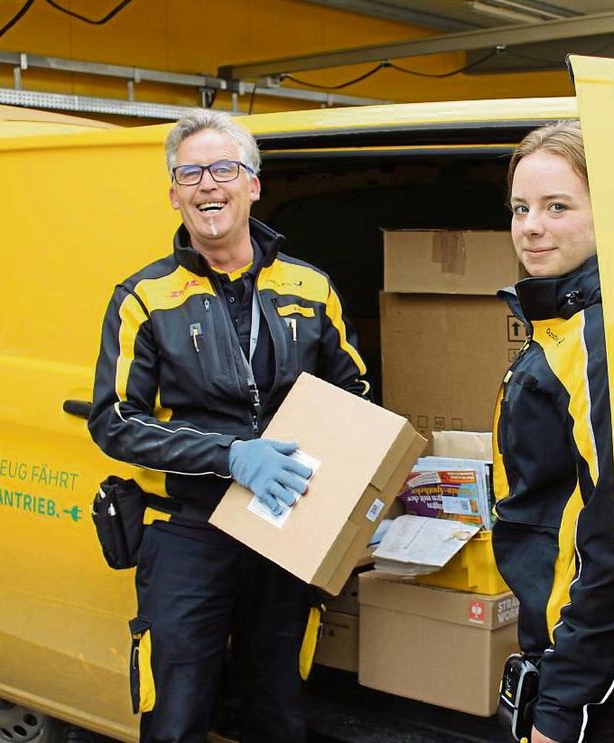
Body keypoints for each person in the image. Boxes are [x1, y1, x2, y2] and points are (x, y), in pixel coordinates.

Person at [87, 109, 368, 743]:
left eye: (224, 169)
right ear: (174, 193)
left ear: (253, 185)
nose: (208, 185)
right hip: (187, 529)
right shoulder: (144, 298)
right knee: (179, 706)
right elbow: (114, 422)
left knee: (278, 700)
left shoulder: (311, 288)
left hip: (285, 522)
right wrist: (231, 454)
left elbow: (354, 394)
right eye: (191, 173)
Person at [492, 121, 614, 743]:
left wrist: (563, 705)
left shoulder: (602, 337)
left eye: (557, 207)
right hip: (558, 641)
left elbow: (613, 538)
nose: (531, 226)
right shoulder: (565, 322)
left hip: (591, 672)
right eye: (521, 208)